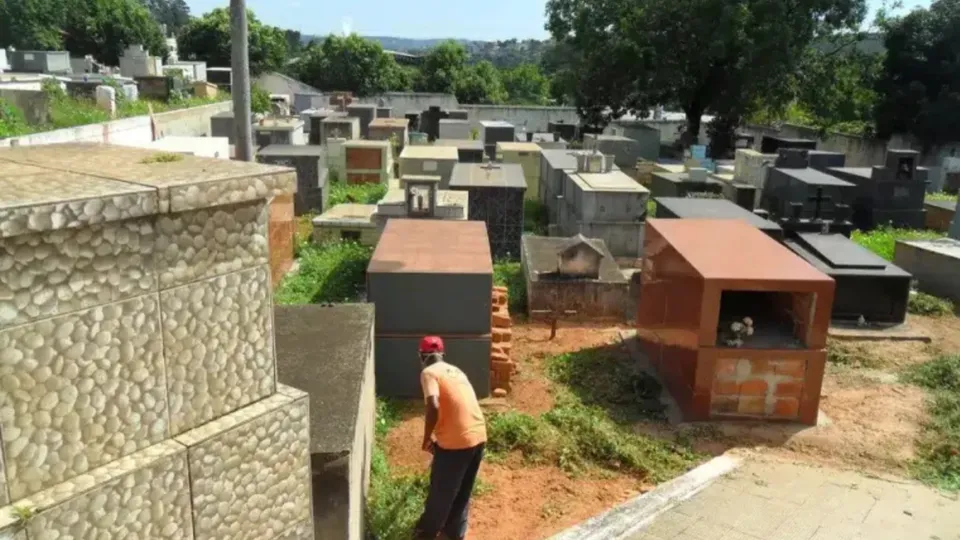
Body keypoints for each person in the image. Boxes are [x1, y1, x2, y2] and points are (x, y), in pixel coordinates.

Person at [413, 336, 487, 540]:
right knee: (463, 491)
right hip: (479, 435)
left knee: (440, 492)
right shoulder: (456, 371)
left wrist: (427, 437)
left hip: (456, 442)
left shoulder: (428, 373)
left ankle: (424, 534)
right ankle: (454, 533)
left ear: (421, 356)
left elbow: (433, 405)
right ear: (442, 354)